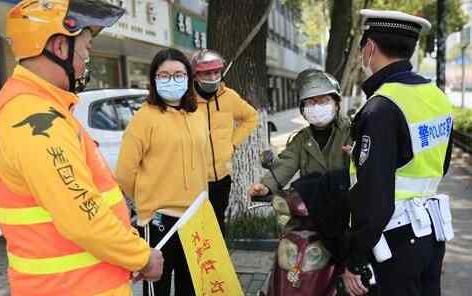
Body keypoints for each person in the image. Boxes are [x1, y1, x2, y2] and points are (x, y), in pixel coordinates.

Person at [0, 1, 163, 295]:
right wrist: (141, 256)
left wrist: (124, 254)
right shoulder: (31, 115)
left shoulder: (41, 105)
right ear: (59, 47)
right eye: (87, 49)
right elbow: (83, 216)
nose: (86, 61)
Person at [340, 10, 454, 296]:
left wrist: (355, 259)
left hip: (392, 242)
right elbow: (440, 162)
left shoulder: (380, 107)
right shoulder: (437, 96)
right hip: (430, 233)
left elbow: (375, 198)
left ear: (369, 48)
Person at [115, 48, 209, 296]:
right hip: (158, 222)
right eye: (164, 75)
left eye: (178, 74)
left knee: (191, 289)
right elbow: (125, 172)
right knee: (158, 289)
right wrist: (148, 198)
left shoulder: (196, 114)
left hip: (194, 220)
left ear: (189, 78)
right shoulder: (144, 118)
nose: (172, 80)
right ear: (154, 80)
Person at [248, 69, 352, 280]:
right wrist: (266, 185)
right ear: (303, 109)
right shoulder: (301, 139)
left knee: (352, 264)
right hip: (312, 211)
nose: (317, 107)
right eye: (311, 102)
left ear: (336, 103)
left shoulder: (352, 131)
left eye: (323, 100)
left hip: (346, 212)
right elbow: (286, 162)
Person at [191, 49, 259, 234]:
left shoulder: (229, 97)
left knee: (218, 224)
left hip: (221, 177)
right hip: (193, 180)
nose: (213, 77)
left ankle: (219, 261)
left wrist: (233, 143)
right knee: (196, 229)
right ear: (196, 75)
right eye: (207, 73)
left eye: (216, 72)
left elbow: (251, 117)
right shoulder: (186, 101)